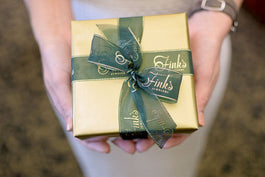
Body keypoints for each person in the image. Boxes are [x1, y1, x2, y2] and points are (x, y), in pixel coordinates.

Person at [24, 0, 242, 176]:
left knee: (175, 167)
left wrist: (218, 11)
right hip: (89, 35)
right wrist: (53, 33)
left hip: (195, 38)